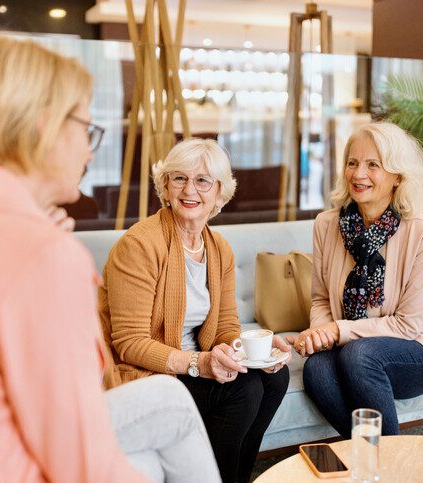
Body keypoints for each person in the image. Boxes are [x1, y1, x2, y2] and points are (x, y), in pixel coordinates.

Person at [0, 35, 220, 483]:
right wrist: (44, 256)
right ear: (45, 127)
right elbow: (78, 461)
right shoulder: (41, 256)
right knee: (148, 463)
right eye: (86, 128)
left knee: (168, 402)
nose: (90, 150)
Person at [98, 138, 292, 483]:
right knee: (242, 390)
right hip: (150, 372)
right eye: (179, 178)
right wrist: (198, 363)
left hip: (196, 365)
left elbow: (226, 328)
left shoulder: (219, 249)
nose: (190, 190)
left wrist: (253, 353)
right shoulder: (139, 245)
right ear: (166, 186)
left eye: (203, 181)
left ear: (220, 193)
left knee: (273, 376)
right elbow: (129, 343)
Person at [288, 122, 423, 437]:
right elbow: (322, 298)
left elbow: (407, 326)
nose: (358, 174)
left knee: (359, 355)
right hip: (353, 345)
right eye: (352, 162)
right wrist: (319, 333)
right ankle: (370, 460)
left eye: (373, 165)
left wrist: (337, 330)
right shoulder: (326, 225)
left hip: (417, 347)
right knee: (317, 369)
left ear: (398, 177)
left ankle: (387, 464)